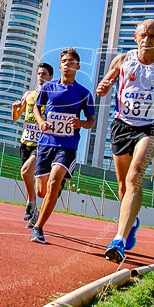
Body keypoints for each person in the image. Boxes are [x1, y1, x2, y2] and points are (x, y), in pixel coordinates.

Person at [94, 19, 154, 262]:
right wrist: (104, 85)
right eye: (143, 35)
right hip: (122, 124)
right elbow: (108, 79)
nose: (147, 40)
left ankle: (118, 241)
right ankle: (132, 222)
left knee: (135, 177)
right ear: (135, 37)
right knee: (123, 186)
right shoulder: (123, 59)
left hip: (152, 126)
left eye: (153, 36)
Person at [28, 48, 95, 244]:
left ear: (78, 67)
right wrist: (40, 122)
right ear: (60, 66)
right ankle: (52, 192)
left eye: (72, 61)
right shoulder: (48, 87)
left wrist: (80, 123)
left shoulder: (84, 93)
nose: (68, 64)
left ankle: (39, 228)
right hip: (46, 143)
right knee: (42, 191)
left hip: (68, 145)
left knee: (53, 184)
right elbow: (36, 108)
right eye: (64, 61)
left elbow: (91, 121)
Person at [12, 62, 54, 224]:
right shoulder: (28, 94)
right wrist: (15, 108)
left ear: (51, 77)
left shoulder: (52, 96)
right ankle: (34, 208)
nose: (40, 77)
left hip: (42, 143)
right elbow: (16, 117)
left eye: (44, 74)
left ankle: (31, 204)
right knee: (28, 176)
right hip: (26, 142)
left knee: (25, 171)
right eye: (39, 74)